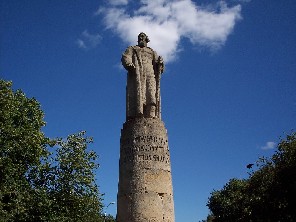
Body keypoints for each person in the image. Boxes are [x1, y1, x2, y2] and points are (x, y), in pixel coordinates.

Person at [121, 32, 164, 119]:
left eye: (143, 37)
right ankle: (138, 115)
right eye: (139, 37)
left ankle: (151, 115)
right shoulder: (133, 48)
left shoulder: (151, 52)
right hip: (138, 73)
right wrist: (129, 63)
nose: (141, 38)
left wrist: (160, 64)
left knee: (151, 94)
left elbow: (157, 65)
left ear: (146, 39)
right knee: (139, 95)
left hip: (150, 74)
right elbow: (125, 57)